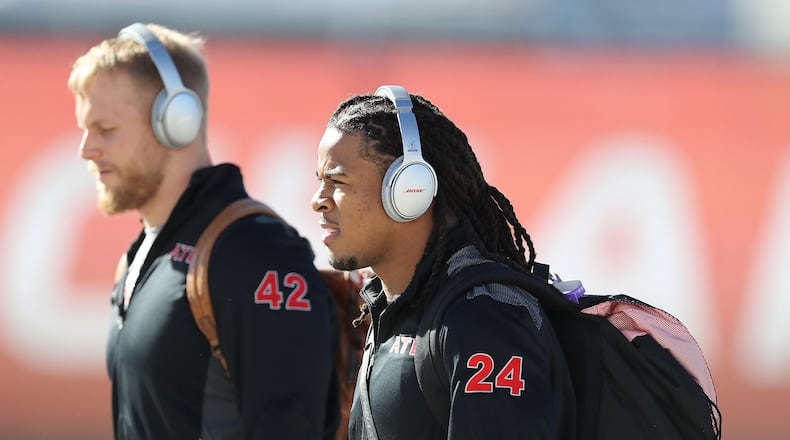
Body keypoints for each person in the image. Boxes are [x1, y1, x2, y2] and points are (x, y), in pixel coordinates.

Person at [69, 22, 339, 439]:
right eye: (85, 129)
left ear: (176, 121)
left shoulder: (253, 250)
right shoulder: (144, 252)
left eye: (106, 130)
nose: (86, 149)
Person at [311, 85, 577, 439]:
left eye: (337, 181)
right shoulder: (395, 308)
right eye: (320, 181)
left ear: (409, 190)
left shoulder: (482, 320)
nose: (319, 200)